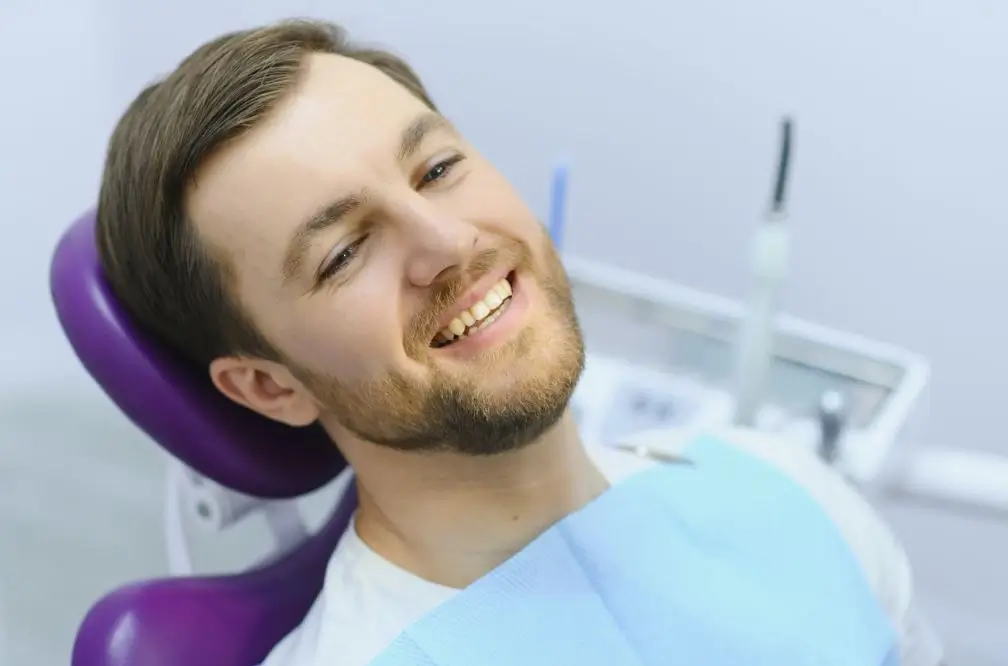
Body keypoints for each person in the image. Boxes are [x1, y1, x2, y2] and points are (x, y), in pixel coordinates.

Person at [95, 18, 944, 666]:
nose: (448, 243)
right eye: (346, 253)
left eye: (436, 170)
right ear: (269, 387)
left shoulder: (789, 497)